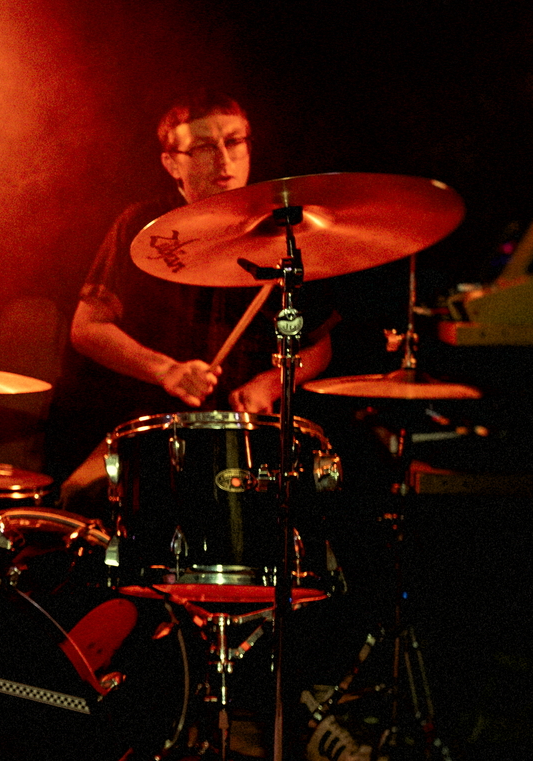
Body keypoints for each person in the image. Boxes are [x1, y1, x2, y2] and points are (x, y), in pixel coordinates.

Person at [60, 93, 335, 505]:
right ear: (172, 163)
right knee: (77, 497)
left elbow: (319, 344)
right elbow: (88, 328)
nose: (224, 160)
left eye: (234, 142)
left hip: (253, 434)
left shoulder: (283, 233)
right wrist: (166, 370)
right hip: (152, 426)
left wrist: (269, 386)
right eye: (204, 147)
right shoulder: (141, 227)